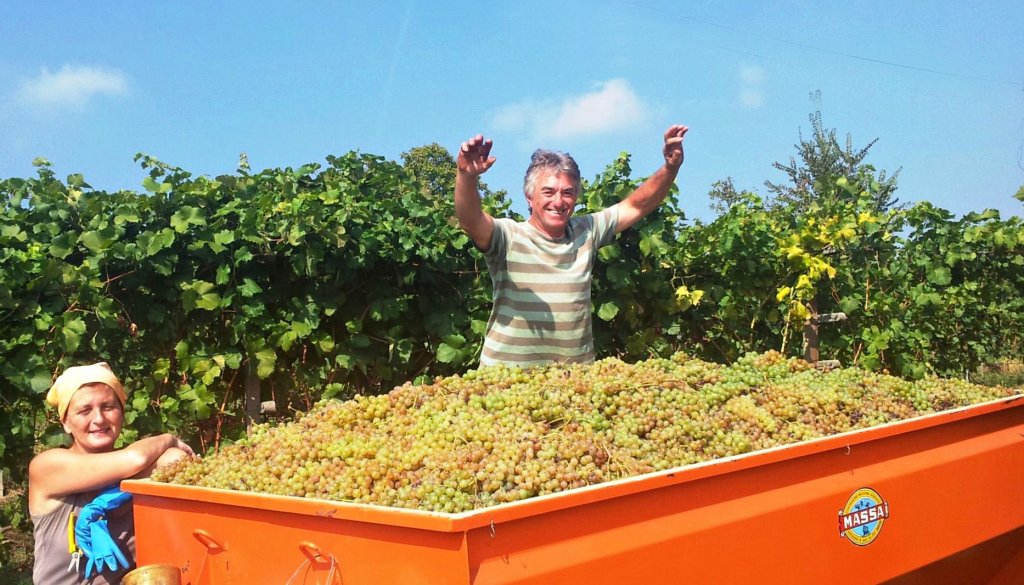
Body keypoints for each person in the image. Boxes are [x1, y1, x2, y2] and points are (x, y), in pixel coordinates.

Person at [455, 124, 689, 367]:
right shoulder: (508, 236)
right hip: (506, 386)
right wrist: (467, 176)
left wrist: (670, 167)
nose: (558, 201)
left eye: (567, 192)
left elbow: (637, 205)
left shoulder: (587, 231)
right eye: (548, 192)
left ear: (576, 197)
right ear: (529, 197)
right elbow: (470, 219)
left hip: (574, 384)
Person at [28, 362, 194, 584]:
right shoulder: (47, 466)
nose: (98, 419)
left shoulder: (133, 469)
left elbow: (175, 459)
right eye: (84, 410)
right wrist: (169, 438)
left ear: (122, 414)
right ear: (66, 422)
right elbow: (135, 459)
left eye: (108, 407)